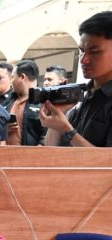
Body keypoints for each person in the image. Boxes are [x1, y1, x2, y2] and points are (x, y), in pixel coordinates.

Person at [40, 11, 112, 148]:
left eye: (94, 51)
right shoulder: (85, 94)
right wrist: (58, 118)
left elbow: (107, 164)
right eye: (81, 51)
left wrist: (68, 131)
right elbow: (51, 150)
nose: (84, 60)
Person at [6, 60, 46, 146]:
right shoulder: (9, 101)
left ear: (22, 77)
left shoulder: (44, 103)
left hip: (31, 157)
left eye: (13, 77)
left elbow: (46, 134)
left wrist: (37, 153)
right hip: (6, 156)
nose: (11, 81)